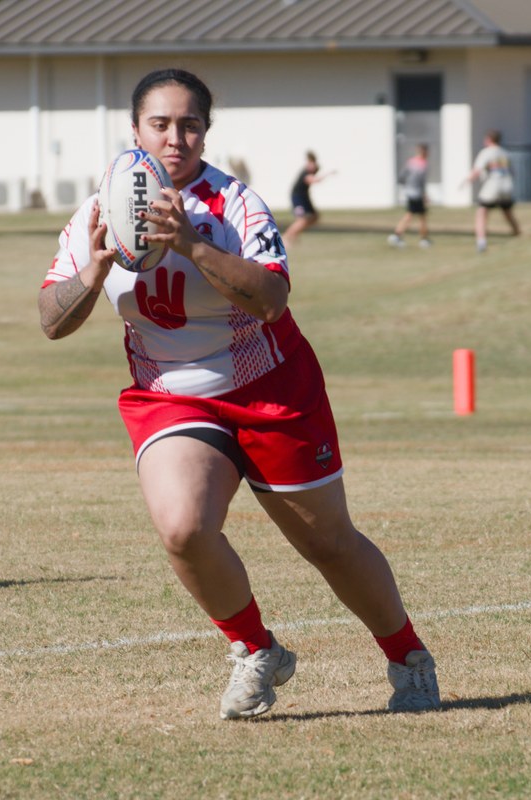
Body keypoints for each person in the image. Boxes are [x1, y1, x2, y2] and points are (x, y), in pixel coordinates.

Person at [38, 68, 440, 721]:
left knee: (327, 543)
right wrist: (94, 268)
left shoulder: (233, 204)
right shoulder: (97, 211)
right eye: (159, 123)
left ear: (206, 130)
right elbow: (51, 322)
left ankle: (407, 657)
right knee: (182, 528)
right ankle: (256, 650)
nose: (175, 137)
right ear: (135, 129)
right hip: (171, 395)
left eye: (189, 123)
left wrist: (190, 244)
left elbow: (274, 298)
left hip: (268, 387)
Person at [463, 130, 521, 252]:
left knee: (482, 212)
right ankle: (518, 233)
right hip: (506, 186)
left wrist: (466, 181)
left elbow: (477, 170)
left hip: (492, 186)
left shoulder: (486, 152)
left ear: (489, 139)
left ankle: (481, 242)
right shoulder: (505, 153)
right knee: (507, 212)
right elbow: (513, 172)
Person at [283, 151, 334, 246]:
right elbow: (314, 180)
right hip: (297, 197)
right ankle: (286, 237)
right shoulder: (305, 172)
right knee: (302, 220)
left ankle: (294, 235)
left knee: (314, 217)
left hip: (305, 197)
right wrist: (328, 174)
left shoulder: (313, 169)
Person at [388, 144, 431, 248]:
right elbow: (421, 182)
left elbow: (402, 176)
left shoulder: (411, 161)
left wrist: (406, 187)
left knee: (418, 215)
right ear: (424, 152)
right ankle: (399, 235)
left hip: (409, 191)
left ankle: (422, 237)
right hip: (416, 193)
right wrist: (424, 194)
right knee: (414, 215)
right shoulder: (422, 164)